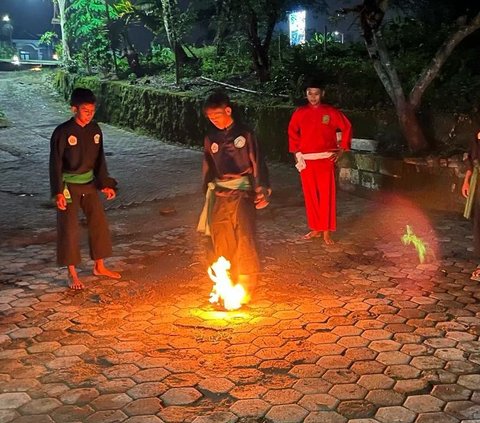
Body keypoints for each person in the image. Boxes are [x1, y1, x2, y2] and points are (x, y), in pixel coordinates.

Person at [197, 90, 271, 291]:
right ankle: (226, 279)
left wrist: (261, 189)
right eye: (210, 118)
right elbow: (208, 166)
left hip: (242, 192)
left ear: (228, 110)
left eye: (217, 116)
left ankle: (247, 281)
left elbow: (257, 162)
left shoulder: (245, 134)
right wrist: (207, 190)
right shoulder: (211, 138)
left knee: (245, 234)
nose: (214, 121)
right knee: (221, 235)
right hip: (220, 192)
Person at [49, 87, 121, 290]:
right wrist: (58, 192)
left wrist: (105, 185)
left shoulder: (95, 130)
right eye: (85, 110)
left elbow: (100, 161)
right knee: (69, 229)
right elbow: (55, 164)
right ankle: (72, 273)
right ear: (74, 109)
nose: (90, 114)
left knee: (98, 223)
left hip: (88, 184)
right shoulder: (62, 132)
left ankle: (100, 265)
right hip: (69, 186)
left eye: (92, 110)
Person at [288, 77, 352, 244]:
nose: (313, 97)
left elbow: (346, 127)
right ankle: (315, 227)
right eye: (310, 93)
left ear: (322, 94)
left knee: (327, 195)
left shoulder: (330, 112)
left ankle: (326, 231)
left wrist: (342, 150)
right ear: (306, 94)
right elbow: (292, 132)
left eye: (316, 93)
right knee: (310, 196)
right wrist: (296, 153)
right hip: (307, 160)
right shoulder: (300, 113)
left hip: (325, 159)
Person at [462, 129, 480, 280]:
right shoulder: (476, 136)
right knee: (478, 223)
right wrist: (467, 180)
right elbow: (470, 159)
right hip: (478, 184)